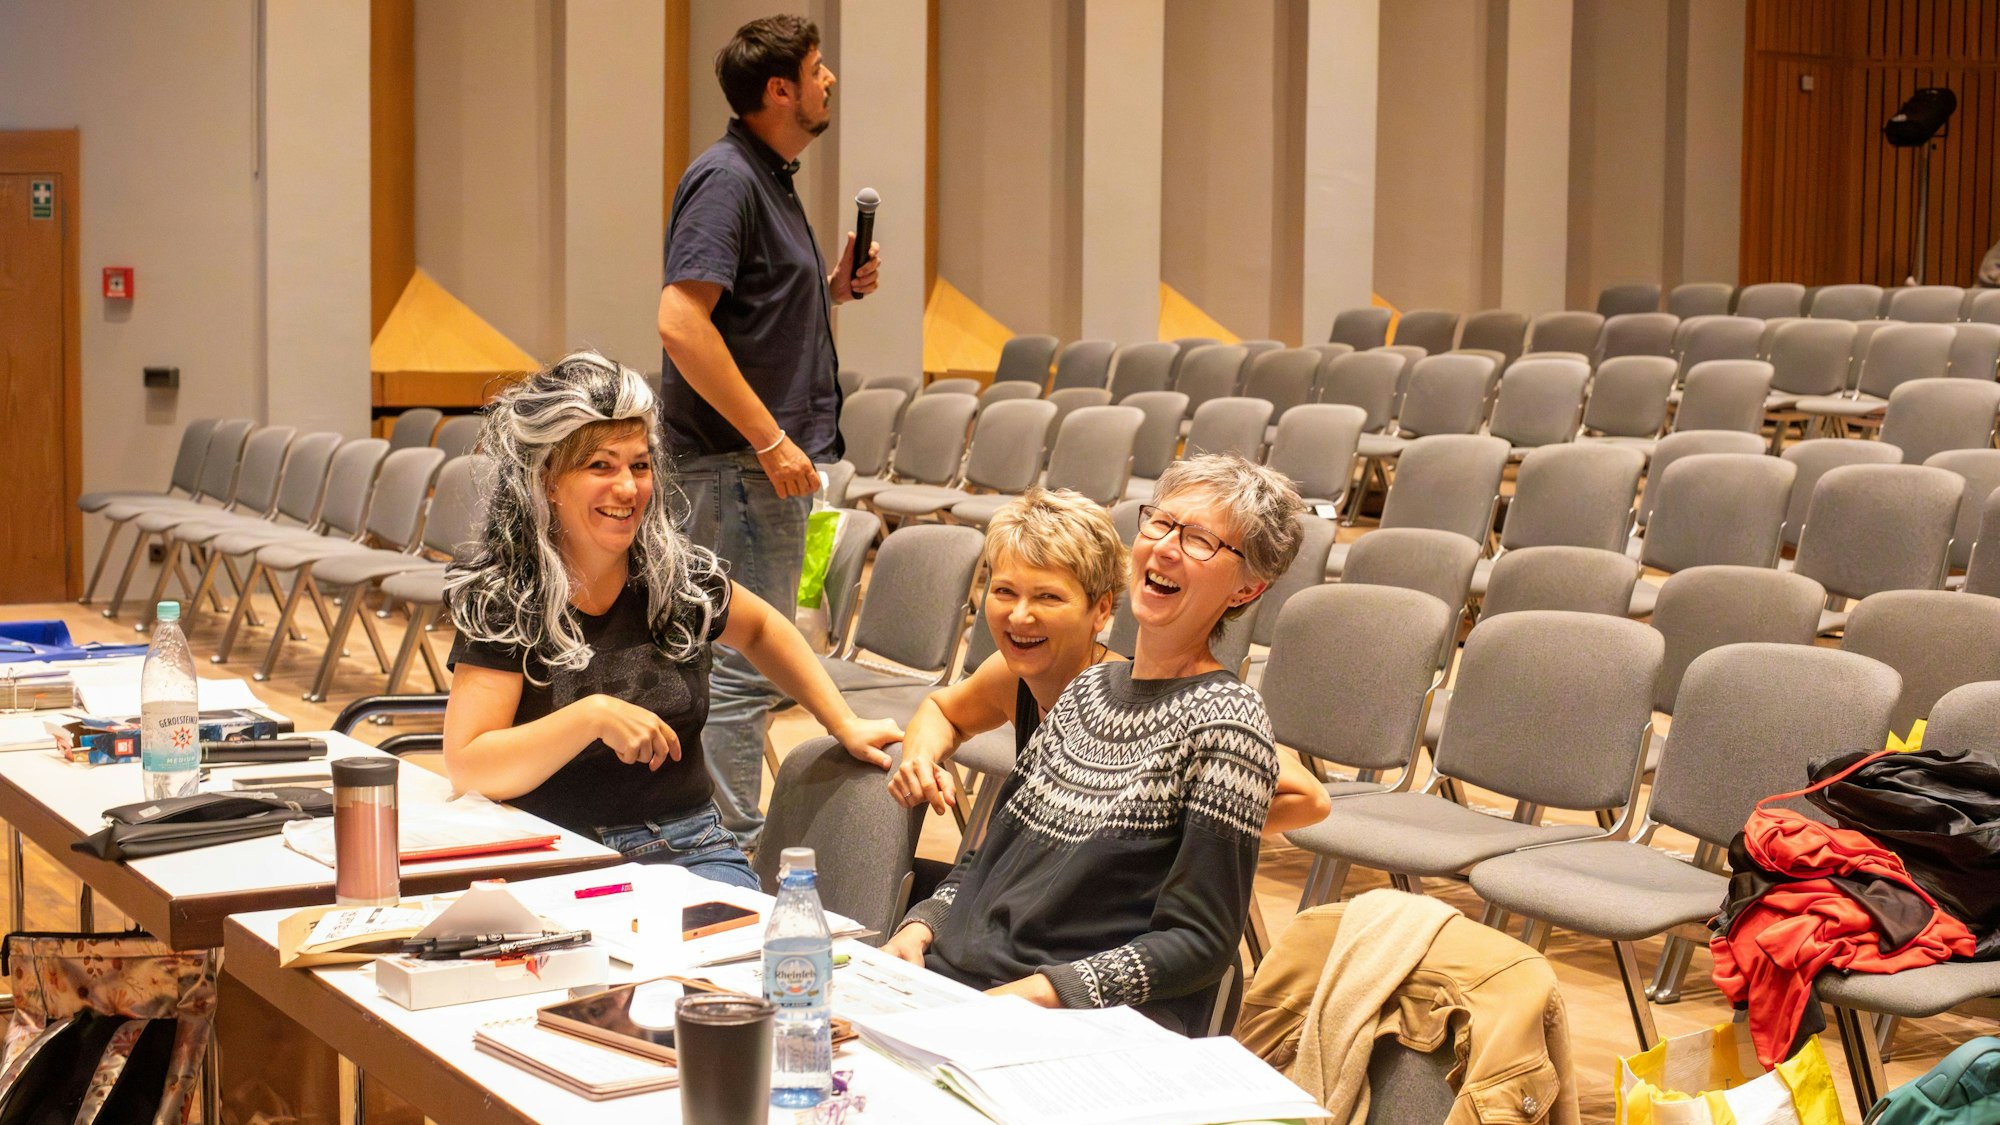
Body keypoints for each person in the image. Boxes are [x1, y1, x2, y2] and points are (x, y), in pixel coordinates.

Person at [440, 352, 900, 890]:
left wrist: (841, 720)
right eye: (600, 466)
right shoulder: (509, 598)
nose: (628, 488)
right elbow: (470, 764)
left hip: (690, 846)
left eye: (639, 465)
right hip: (549, 848)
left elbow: (761, 628)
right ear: (546, 482)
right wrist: (592, 717)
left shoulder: (675, 579)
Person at [882, 456, 1309, 1034]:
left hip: (1062, 1018)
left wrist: (1042, 994)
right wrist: (923, 924)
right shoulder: (1086, 688)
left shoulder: (1227, 722)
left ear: (1247, 588)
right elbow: (991, 858)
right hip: (957, 985)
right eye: (1160, 523)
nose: (1164, 547)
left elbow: (1201, 942)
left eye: (1201, 539)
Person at [656, 14, 881, 851]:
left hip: (745, 466)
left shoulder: (765, 175)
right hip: (736, 468)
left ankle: (714, 839)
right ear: (779, 90)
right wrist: (768, 439)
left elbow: (746, 316)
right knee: (742, 672)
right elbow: (681, 321)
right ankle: (729, 850)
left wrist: (830, 292)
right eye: (819, 71)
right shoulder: (728, 178)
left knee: (738, 668)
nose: (829, 83)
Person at [885, 488, 1331, 837]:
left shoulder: (1133, 694)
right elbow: (942, 711)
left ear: (1100, 611)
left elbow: (1309, 797)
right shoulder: (1011, 675)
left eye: (1048, 597)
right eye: (1004, 592)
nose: (1019, 616)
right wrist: (921, 758)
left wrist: (1167, 835)